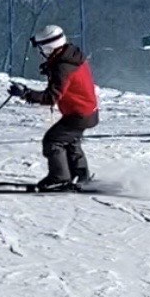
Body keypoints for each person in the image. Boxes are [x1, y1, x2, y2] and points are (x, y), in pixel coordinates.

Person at [9, 23, 99, 189]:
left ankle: (59, 178)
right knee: (70, 141)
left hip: (78, 114)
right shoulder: (71, 56)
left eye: (41, 48)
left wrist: (26, 94)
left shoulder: (63, 67)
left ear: (49, 47)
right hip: (87, 112)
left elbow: (51, 97)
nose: (41, 53)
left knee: (53, 141)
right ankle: (80, 175)